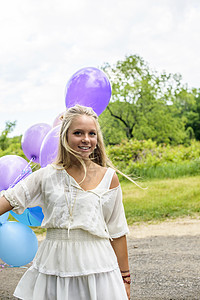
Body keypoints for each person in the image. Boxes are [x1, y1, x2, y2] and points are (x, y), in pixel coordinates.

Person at [0, 105, 131, 300]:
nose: (86, 139)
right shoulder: (45, 176)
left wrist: (125, 279)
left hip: (98, 269)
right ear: (65, 136)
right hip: (54, 267)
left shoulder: (109, 178)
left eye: (91, 133)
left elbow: (117, 231)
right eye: (78, 133)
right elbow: (9, 199)